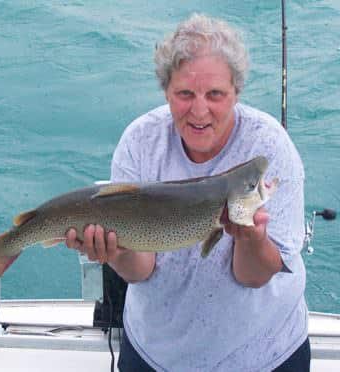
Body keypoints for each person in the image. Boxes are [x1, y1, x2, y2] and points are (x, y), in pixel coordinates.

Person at [66, 13, 309, 372]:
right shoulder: (140, 143)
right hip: (156, 354)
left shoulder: (269, 148)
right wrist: (113, 253)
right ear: (166, 91)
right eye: (184, 94)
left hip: (264, 356)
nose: (199, 111)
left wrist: (252, 239)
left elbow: (253, 276)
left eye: (215, 94)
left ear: (236, 92)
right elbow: (140, 270)